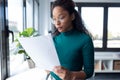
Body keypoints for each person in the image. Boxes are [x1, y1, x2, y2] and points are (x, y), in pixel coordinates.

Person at [47, 0, 94, 80]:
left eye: (61, 18)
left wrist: (71, 75)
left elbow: (89, 72)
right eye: (54, 19)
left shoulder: (85, 40)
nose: (57, 23)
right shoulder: (53, 39)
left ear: (72, 16)